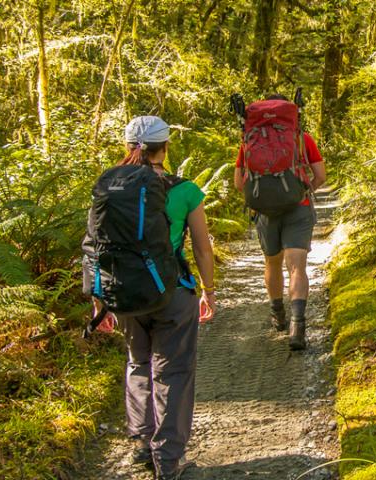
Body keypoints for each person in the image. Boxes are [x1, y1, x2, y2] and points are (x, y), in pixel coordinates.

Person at [104, 115, 218, 479]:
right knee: (174, 372)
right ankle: (168, 461)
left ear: (128, 147)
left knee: (138, 362)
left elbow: (97, 244)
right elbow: (202, 248)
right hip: (171, 294)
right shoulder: (184, 190)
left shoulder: (110, 185)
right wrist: (208, 291)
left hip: (123, 294)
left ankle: (141, 444)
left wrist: (99, 299)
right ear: (165, 148)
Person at [233, 94, 326, 350]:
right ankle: (298, 325)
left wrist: (263, 196)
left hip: (265, 211)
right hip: (299, 207)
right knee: (297, 266)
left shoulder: (249, 139)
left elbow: (239, 183)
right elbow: (321, 175)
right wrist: (305, 191)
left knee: (272, 263)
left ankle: (278, 315)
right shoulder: (301, 138)